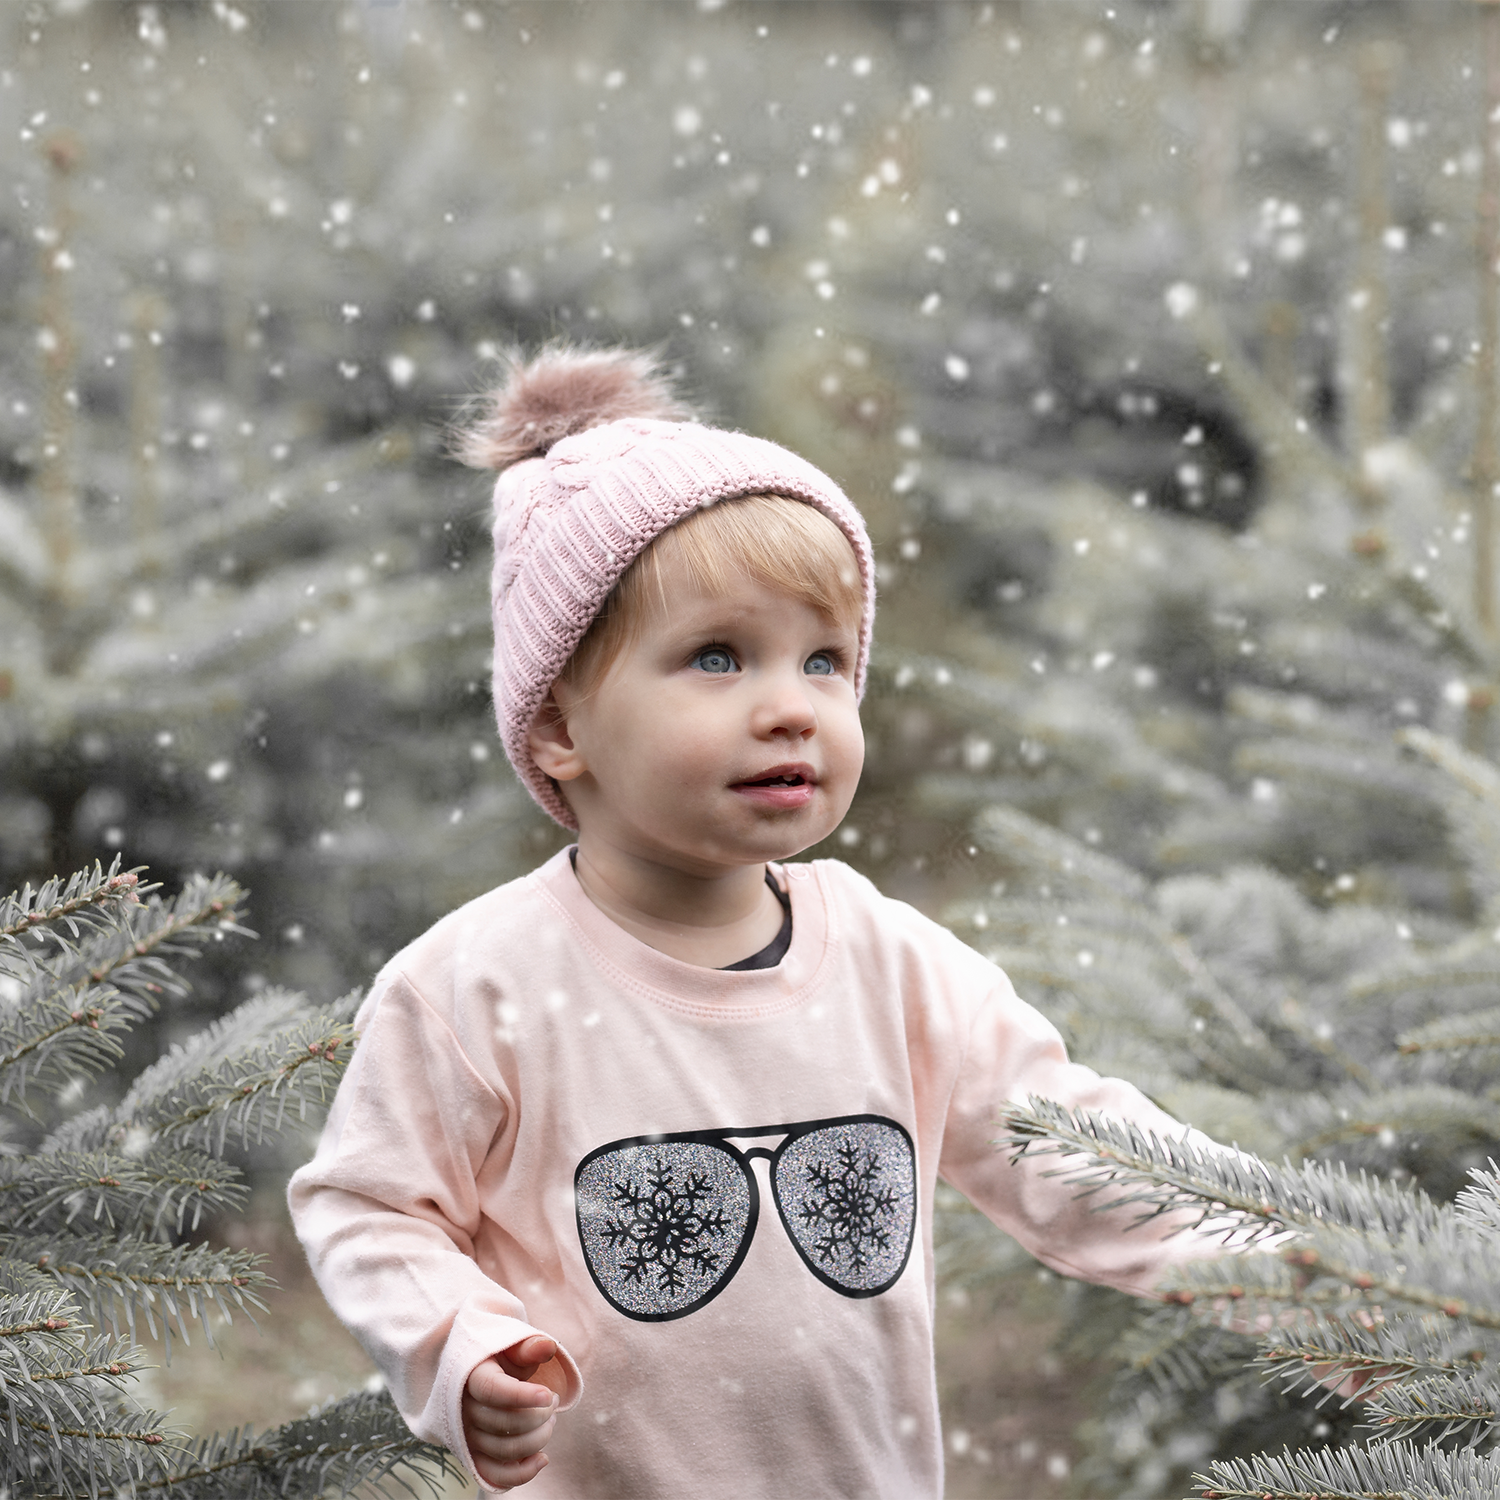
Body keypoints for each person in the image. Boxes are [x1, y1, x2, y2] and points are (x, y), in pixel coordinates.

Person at [288, 346, 1228, 1498]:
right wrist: (461, 1347)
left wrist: (1318, 1269)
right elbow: (368, 1205)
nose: (791, 707)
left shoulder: (895, 965)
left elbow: (1077, 1147)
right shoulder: (475, 985)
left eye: (824, 661)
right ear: (558, 728)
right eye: (718, 657)